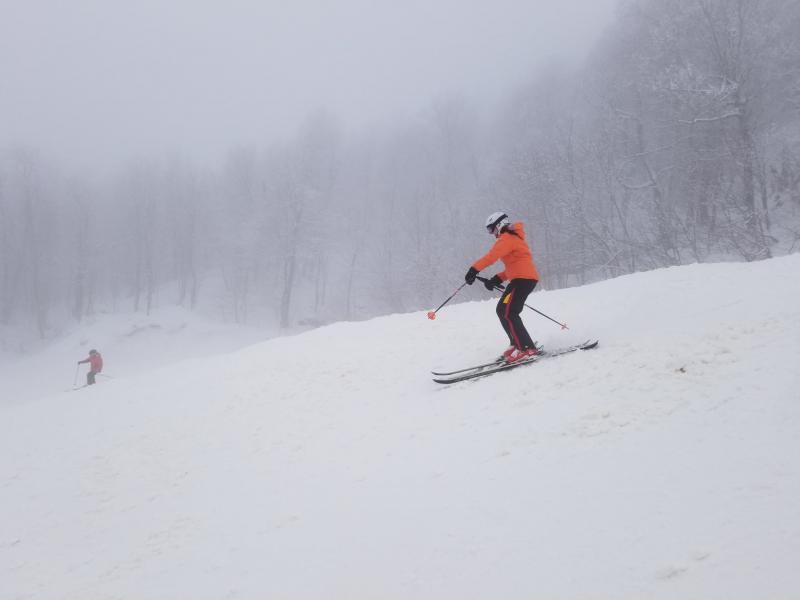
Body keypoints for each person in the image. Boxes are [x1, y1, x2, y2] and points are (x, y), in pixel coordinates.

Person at [465, 212, 541, 363]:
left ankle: (526, 348)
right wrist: (496, 279)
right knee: (502, 310)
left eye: (491, 229)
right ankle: (516, 343)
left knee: (510, 312)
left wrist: (473, 270)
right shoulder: (512, 239)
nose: (491, 233)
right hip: (520, 279)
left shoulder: (507, 239)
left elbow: (491, 257)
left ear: (500, 225)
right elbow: (514, 266)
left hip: (522, 281)